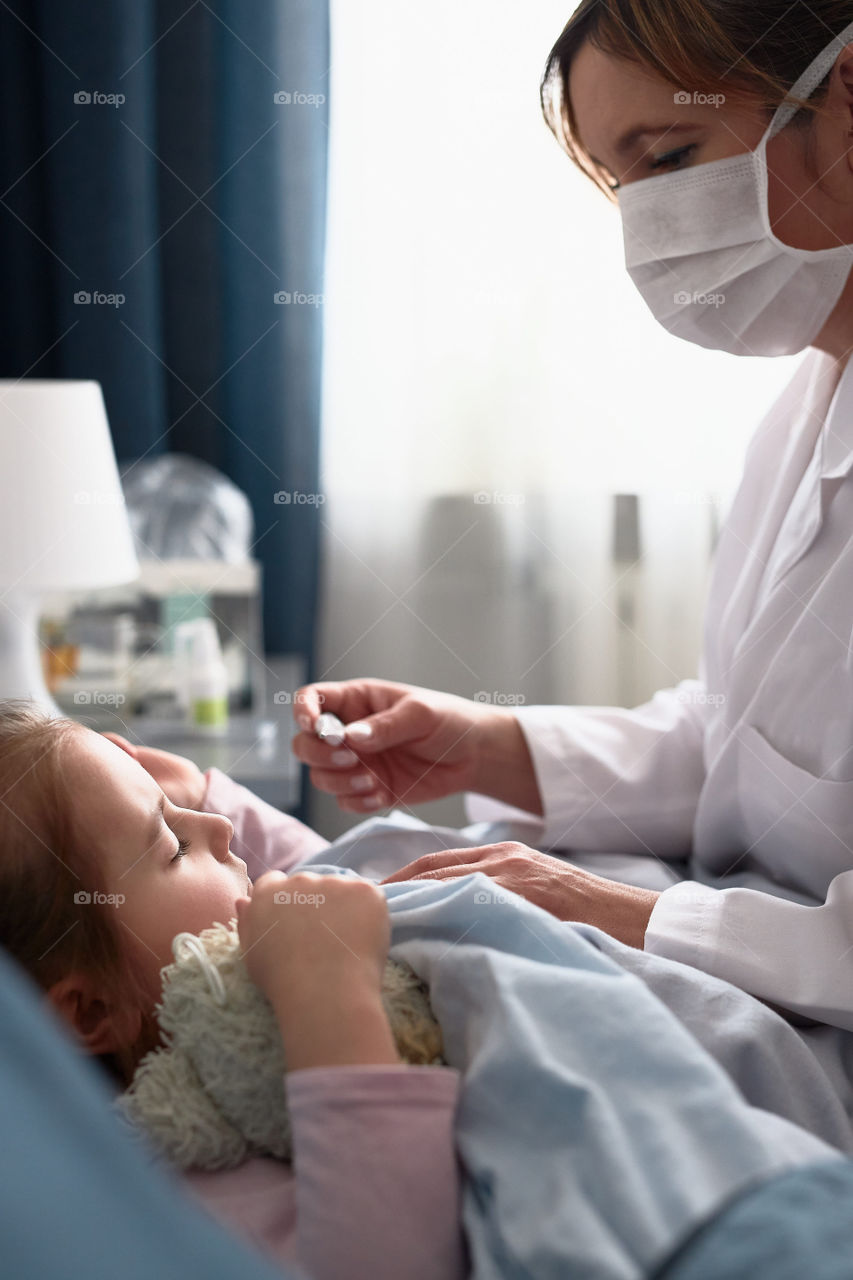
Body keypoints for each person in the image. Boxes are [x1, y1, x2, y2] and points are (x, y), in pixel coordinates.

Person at [291, 3, 853, 1106]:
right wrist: (483, 745)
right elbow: (753, 748)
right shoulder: (805, 411)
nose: (650, 224)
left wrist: (632, 912)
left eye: (672, 158)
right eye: (623, 182)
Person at [0, 702, 464, 1280]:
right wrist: (329, 996)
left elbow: (316, 875)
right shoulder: (195, 1188)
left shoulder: (244, 978)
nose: (220, 827)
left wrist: (201, 789)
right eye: (173, 843)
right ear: (93, 1010)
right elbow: (397, 1264)